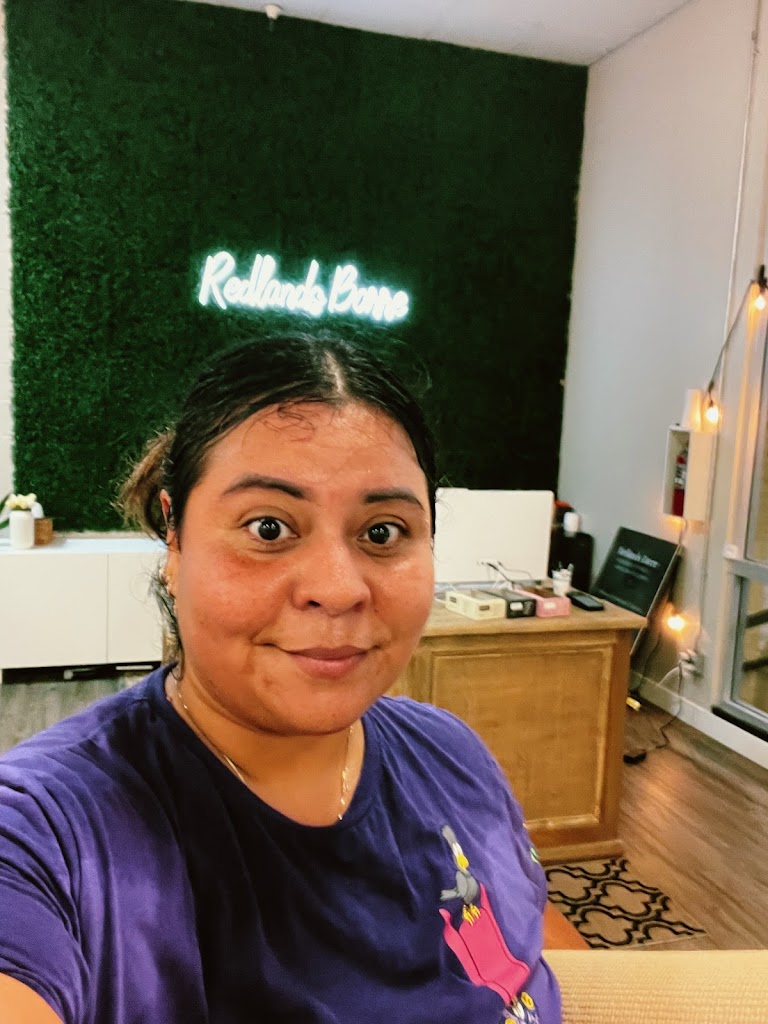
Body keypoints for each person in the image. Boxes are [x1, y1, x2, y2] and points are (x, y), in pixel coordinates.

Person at [0, 334, 561, 1023]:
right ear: (174, 538)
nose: (339, 588)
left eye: (383, 533)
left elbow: (531, 955)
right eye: (269, 527)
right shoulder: (48, 835)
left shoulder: (452, 752)